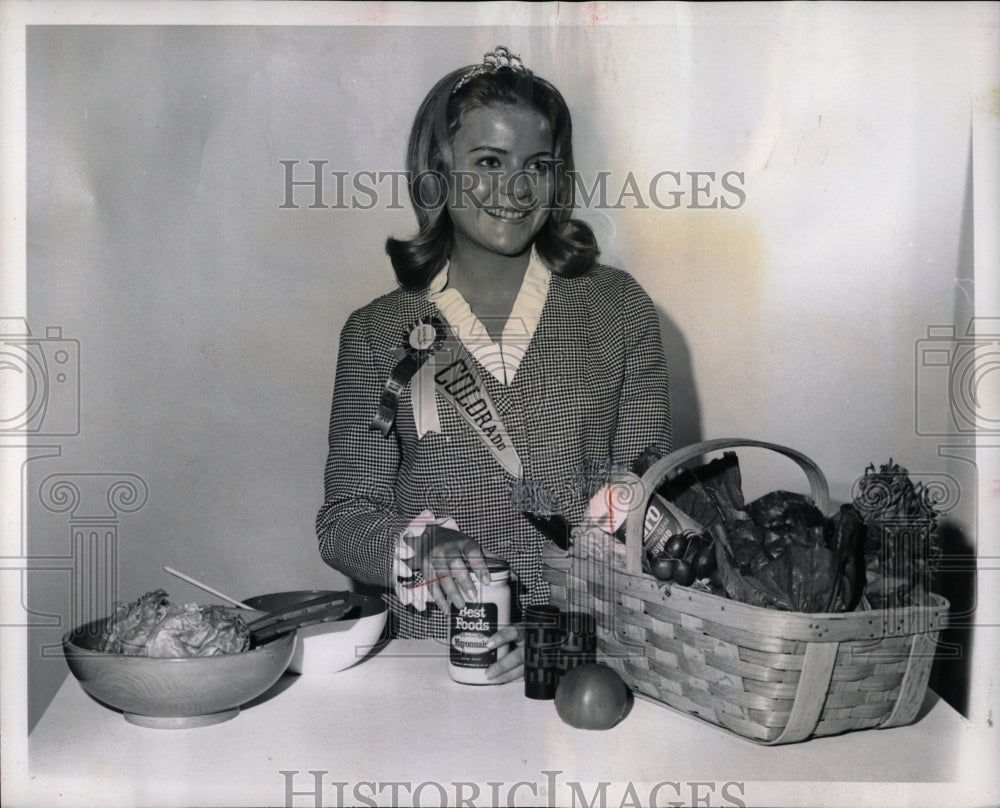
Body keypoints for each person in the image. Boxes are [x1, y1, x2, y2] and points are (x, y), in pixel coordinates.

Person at [316, 46, 672, 683]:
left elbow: (641, 487)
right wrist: (424, 545)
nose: (516, 189)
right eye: (488, 162)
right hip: (433, 661)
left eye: (538, 165)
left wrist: (560, 616)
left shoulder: (620, 309)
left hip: (583, 651)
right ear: (436, 173)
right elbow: (346, 519)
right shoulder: (376, 333)